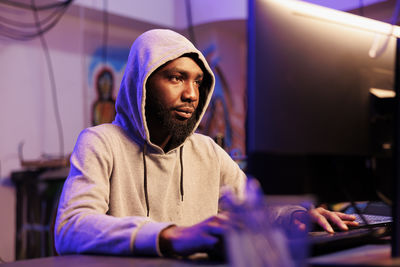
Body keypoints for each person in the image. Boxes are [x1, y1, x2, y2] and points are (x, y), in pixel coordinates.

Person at [54, 29, 358, 258]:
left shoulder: (207, 151)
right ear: (143, 82)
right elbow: (71, 227)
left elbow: (253, 210)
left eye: (197, 81)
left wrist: (297, 214)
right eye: (176, 78)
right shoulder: (99, 142)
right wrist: (172, 236)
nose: (191, 94)